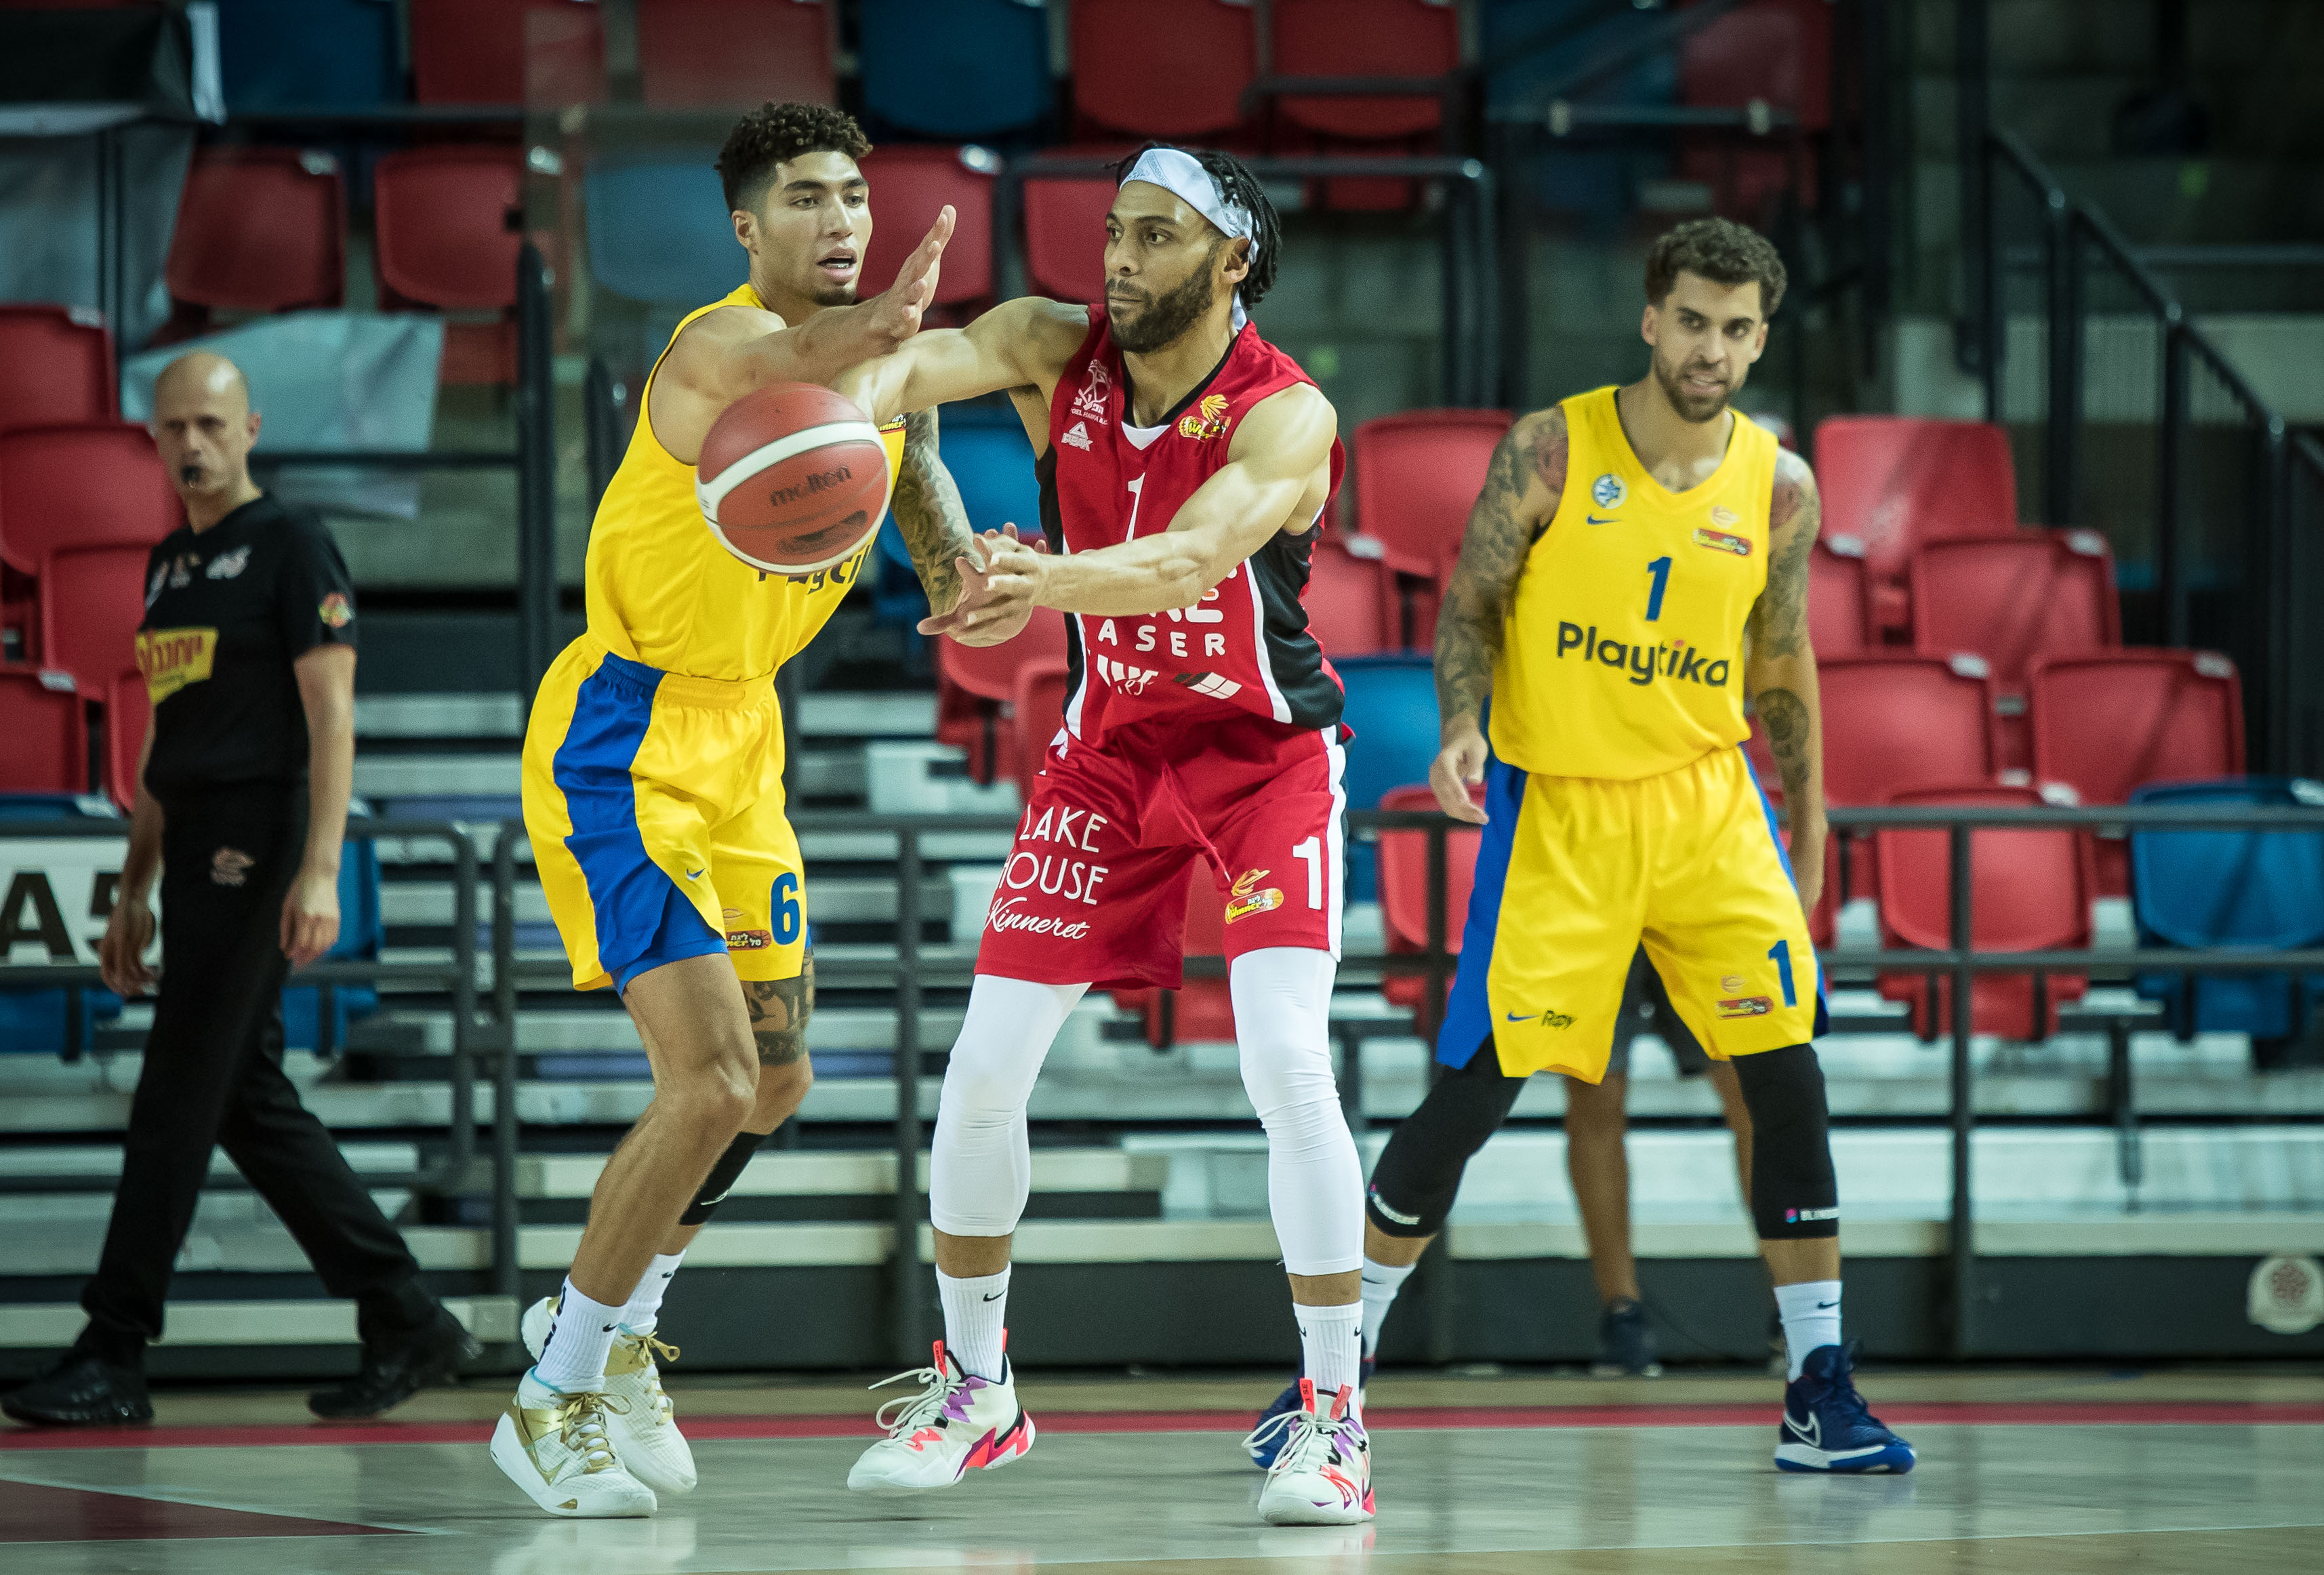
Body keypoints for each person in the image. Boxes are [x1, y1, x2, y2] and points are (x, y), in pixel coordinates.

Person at [828, 144, 1374, 1526]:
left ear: (1231, 259)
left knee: (1282, 1056)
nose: (1119, 259)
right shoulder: (1044, 345)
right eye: (1114, 231)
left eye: (1154, 237)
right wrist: (837, 420)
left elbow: (1192, 557)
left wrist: (1043, 580)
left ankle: (1334, 1420)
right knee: (980, 1070)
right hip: (1108, 755)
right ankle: (979, 1392)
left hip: (1262, 757)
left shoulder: (1286, 413)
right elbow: (900, 380)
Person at [500, 104, 1005, 1519]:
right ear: (746, 226)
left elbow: (912, 473)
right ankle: (550, 1392)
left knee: (775, 1081)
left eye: (853, 195)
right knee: (711, 1081)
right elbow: (784, 366)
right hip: (625, 735)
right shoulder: (711, 349)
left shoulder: (882, 373)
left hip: (744, 740)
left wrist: (963, 574)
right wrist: (882, 329)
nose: (839, 219)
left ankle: (614, 1328)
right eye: (804, 198)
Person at [1349, 219, 1913, 1474]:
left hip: (1710, 808)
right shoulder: (1550, 448)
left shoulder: (1779, 487)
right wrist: (1459, 724)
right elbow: (1472, 605)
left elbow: (1781, 656)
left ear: (1759, 342)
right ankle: (1332, 1374)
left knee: (1784, 1074)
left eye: (1735, 329)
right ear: (1651, 321)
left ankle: (1817, 1385)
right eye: (1692, 321)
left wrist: (1809, 820)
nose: (1710, 348)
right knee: (1476, 1090)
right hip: (1560, 809)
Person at [1, 353, 472, 1429]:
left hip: (260, 839)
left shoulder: (292, 543)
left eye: (211, 424)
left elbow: (333, 716)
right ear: (152, 438)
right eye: (174, 428)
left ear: (250, 428)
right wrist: (132, 885)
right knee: (244, 1100)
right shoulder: (170, 564)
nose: (193, 445)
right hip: (192, 840)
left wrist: (320, 867)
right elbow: (165, 733)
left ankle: (114, 1348)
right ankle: (405, 1315)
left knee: (177, 1091)